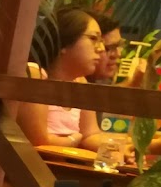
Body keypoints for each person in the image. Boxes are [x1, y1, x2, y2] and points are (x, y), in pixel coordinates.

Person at [19, 8, 109, 150]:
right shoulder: (35, 74)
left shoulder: (80, 81)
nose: (102, 49)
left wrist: (118, 148)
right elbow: (39, 141)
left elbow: (90, 135)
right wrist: (73, 139)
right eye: (93, 38)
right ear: (63, 43)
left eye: (101, 41)